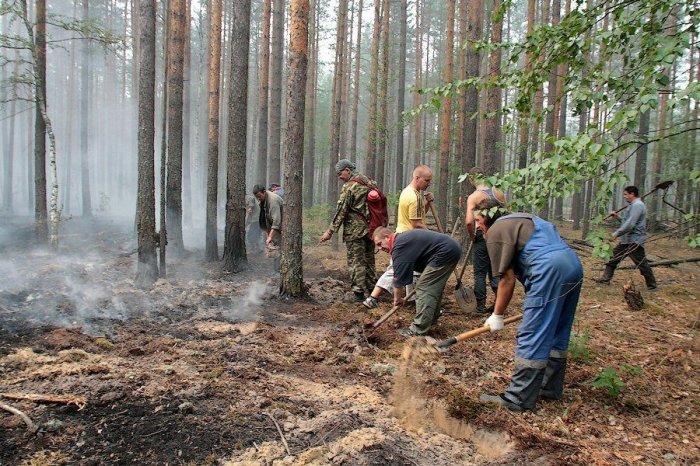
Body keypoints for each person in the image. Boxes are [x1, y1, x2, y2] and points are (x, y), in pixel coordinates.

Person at [473, 198, 583, 412]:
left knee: (533, 332)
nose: (477, 225)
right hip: (573, 265)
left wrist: (497, 314)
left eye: (478, 220)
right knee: (558, 329)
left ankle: (518, 398)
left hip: (549, 270)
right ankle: (550, 388)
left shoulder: (496, 231)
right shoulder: (523, 218)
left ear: (488, 217)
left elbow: (506, 279)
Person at [363, 165, 434, 309]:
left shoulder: (412, 193)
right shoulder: (413, 197)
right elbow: (416, 224)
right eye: (427, 180)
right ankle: (373, 298)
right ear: (417, 178)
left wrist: (427, 203)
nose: (429, 183)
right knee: (395, 270)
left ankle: (412, 300)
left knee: (409, 269)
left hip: (409, 237)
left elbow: (418, 215)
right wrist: (433, 236)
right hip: (408, 238)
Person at [373, 227, 461, 337]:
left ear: (387, 237)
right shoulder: (402, 241)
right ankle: (431, 321)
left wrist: (397, 299)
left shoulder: (399, 246)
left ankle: (418, 330)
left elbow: (398, 279)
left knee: (424, 288)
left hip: (445, 252)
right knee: (432, 288)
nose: (380, 248)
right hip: (450, 249)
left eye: (380, 244)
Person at [320, 159, 377, 302]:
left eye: (340, 173)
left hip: (355, 231)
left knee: (356, 261)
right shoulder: (370, 182)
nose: (339, 176)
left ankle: (358, 294)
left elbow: (341, 211)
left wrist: (330, 231)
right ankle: (373, 290)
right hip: (371, 229)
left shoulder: (350, 186)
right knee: (370, 260)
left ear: (348, 170)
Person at [593, 186, 657, 290]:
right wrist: (617, 217)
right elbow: (627, 221)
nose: (624, 197)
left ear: (632, 194)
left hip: (634, 240)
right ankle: (605, 279)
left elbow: (630, 224)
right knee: (612, 258)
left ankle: (652, 286)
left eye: (626, 194)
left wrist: (616, 234)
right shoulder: (633, 205)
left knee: (641, 263)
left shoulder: (637, 205)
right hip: (626, 240)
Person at [464, 167, 507, 314]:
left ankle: (480, 306)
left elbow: (469, 221)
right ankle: (499, 304)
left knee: (480, 272)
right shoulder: (499, 192)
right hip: (499, 235)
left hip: (482, 235)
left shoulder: (474, 197)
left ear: (471, 179)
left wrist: (472, 236)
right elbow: (506, 214)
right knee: (496, 270)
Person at [253, 184, 283, 274]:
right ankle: (276, 270)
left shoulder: (273, 201)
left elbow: (277, 221)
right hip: (274, 228)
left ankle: (279, 272)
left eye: (259, 196)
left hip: (282, 228)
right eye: (256, 197)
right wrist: (267, 233)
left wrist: (270, 236)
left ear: (264, 192)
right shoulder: (263, 199)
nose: (258, 198)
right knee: (275, 248)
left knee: (279, 249)